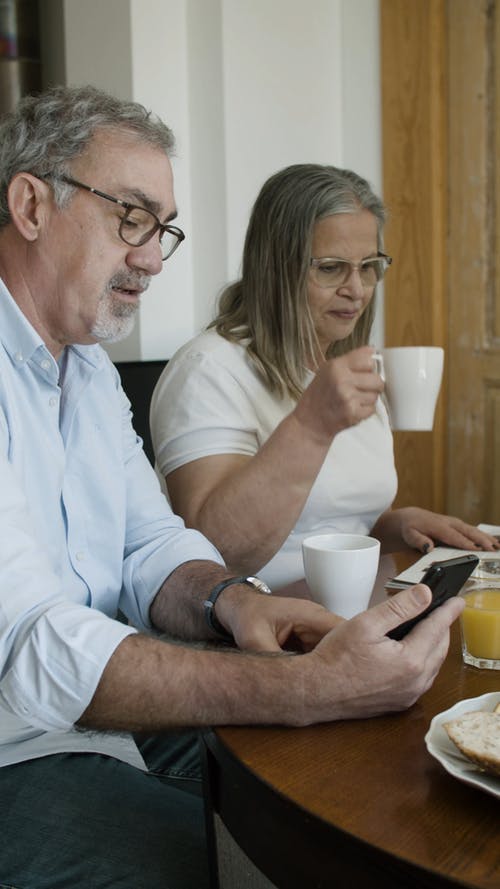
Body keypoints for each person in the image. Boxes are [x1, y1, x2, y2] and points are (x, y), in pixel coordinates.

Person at [0, 87, 468, 889]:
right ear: (31, 204)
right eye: (131, 217)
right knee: (235, 860)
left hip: (90, 721)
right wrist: (297, 689)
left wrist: (234, 601)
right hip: (19, 746)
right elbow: (31, 648)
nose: (151, 257)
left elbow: (154, 543)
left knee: (374, 779)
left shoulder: (88, 371)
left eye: (162, 229)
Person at [150, 163, 498, 592]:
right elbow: (214, 554)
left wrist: (397, 524)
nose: (357, 289)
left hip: (348, 609)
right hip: (251, 630)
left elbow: (330, 527)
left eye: (369, 265)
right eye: (331, 268)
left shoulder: (346, 367)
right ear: (275, 267)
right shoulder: (208, 370)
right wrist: (313, 423)